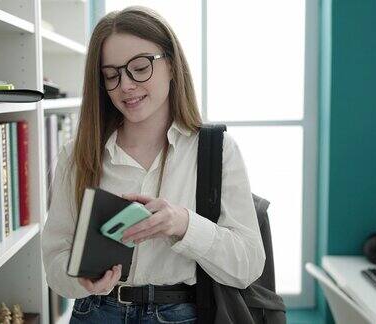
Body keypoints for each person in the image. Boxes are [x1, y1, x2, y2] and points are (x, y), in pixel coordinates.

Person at [42, 6, 265, 324]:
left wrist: (184, 224)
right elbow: (54, 265)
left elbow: (248, 266)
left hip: (182, 313)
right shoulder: (76, 156)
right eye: (111, 75)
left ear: (172, 66)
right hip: (96, 312)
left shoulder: (216, 150)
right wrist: (80, 280)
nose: (126, 85)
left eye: (140, 67)